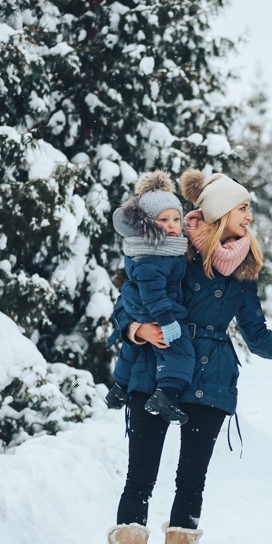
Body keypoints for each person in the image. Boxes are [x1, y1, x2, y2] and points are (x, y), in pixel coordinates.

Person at [106, 170, 272, 544]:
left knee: (191, 481)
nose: (250, 217)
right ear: (220, 214)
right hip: (155, 370)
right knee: (141, 475)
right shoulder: (173, 252)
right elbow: (128, 302)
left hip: (213, 381)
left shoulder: (241, 275)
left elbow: (256, 336)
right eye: (243, 209)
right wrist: (137, 329)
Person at [105, 170, 193, 425]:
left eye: (176, 219)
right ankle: (165, 394)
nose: (172, 225)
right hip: (154, 308)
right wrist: (167, 319)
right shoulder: (154, 255)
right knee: (179, 349)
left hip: (140, 305)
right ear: (148, 225)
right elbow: (154, 293)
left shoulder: (153, 249)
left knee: (132, 347)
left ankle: (120, 386)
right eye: (163, 220)